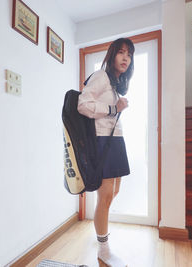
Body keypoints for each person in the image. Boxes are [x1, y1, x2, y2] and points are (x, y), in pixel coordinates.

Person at [77, 38, 135, 267]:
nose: (125, 58)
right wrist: (113, 108)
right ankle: (103, 248)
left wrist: (117, 108)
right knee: (106, 195)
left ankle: (101, 233)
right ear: (112, 55)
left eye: (129, 55)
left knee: (113, 193)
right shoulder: (101, 76)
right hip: (102, 140)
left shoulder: (116, 83)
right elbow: (83, 104)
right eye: (121, 53)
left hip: (115, 140)